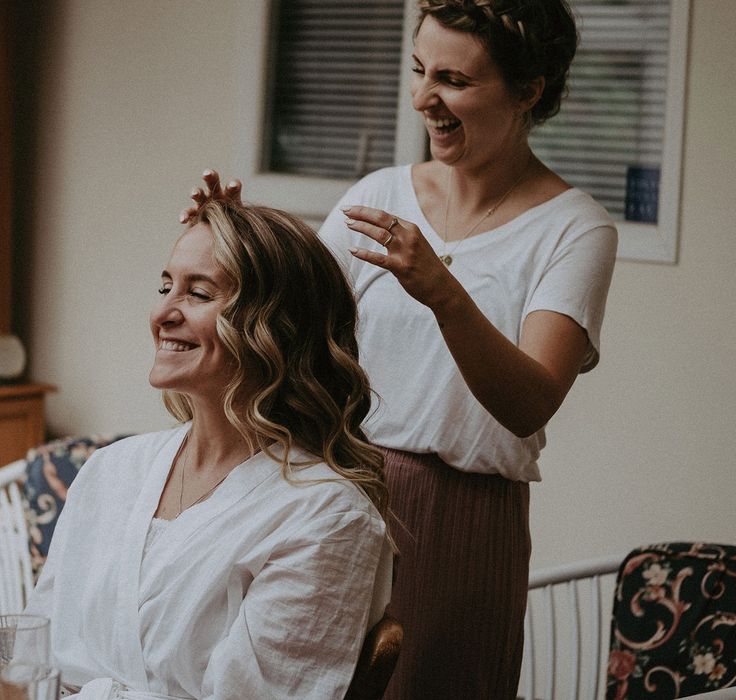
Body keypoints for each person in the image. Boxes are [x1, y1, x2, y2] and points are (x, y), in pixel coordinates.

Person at [187, 0, 618, 696]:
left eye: (453, 79)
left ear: (528, 91)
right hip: (335, 488)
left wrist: (443, 291)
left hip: (466, 523)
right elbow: (289, 329)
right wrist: (231, 240)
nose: (423, 99)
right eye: (419, 71)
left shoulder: (574, 229)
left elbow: (530, 401)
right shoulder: (379, 194)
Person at [24, 200, 393, 699]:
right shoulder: (113, 470)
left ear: (277, 325)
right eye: (164, 287)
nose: (163, 313)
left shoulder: (326, 516)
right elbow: (31, 656)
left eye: (198, 293)